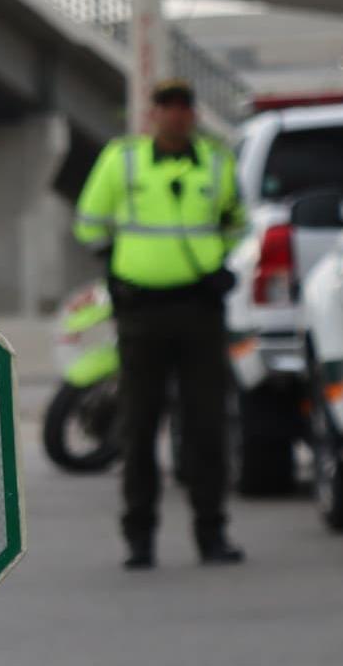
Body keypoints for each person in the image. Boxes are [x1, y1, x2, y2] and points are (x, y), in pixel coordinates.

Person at [73, 77, 248, 569]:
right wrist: (115, 268)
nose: (175, 115)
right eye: (166, 107)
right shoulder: (122, 161)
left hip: (199, 310)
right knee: (139, 426)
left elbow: (237, 222)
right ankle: (140, 537)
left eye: (183, 107)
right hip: (142, 312)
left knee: (207, 428)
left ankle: (212, 533)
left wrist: (222, 266)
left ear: (192, 115)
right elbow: (88, 223)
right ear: (153, 115)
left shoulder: (216, 162)